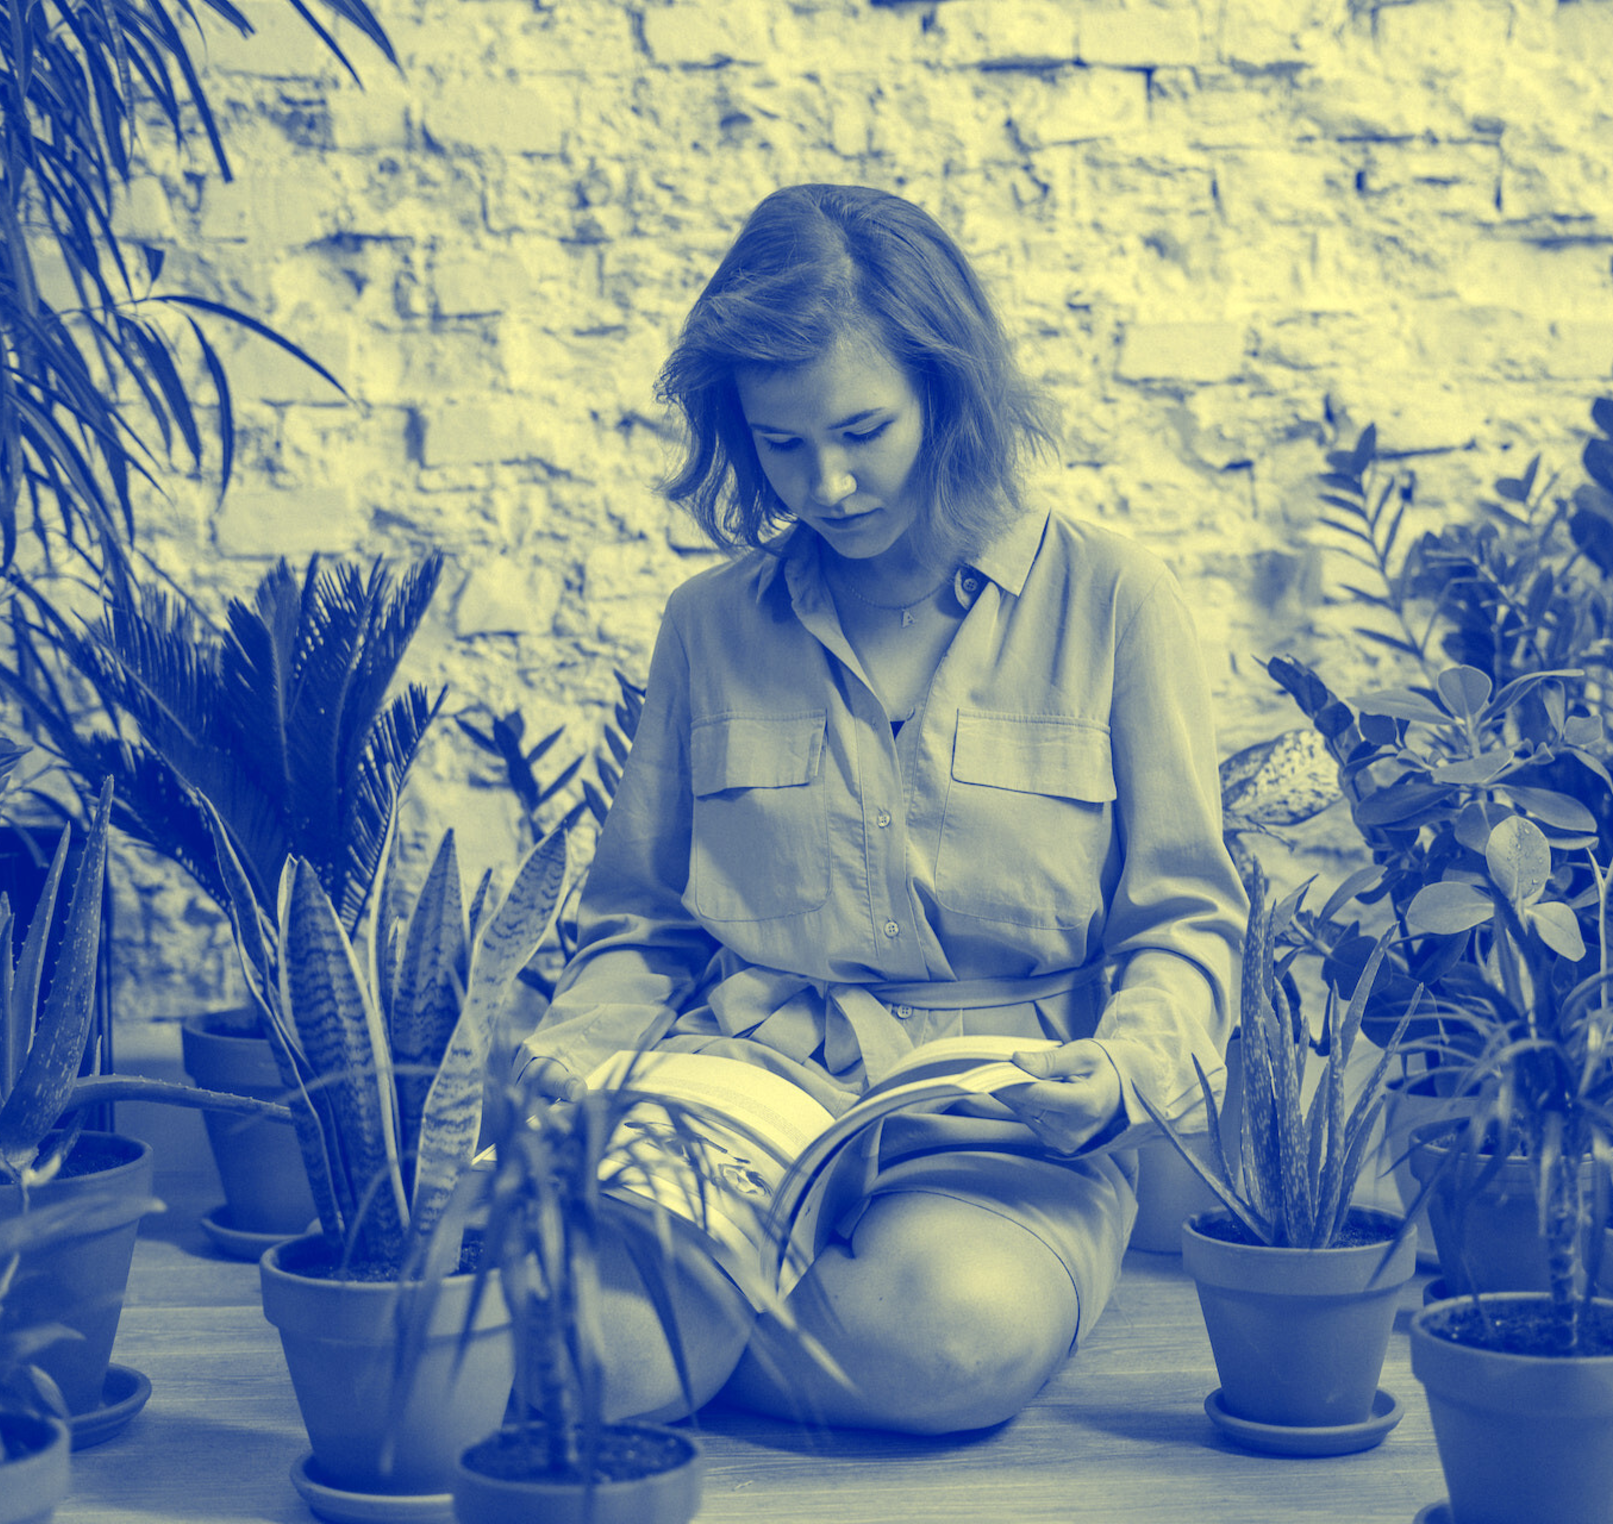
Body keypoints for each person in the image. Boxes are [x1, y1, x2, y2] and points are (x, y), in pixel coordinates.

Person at [518, 183, 1245, 1435]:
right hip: (738, 1086)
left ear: (949, 394)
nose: (830, 484)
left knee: (945, 1336)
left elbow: (1185, 919)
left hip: (999, 1124)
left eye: (863, 430)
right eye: (781, 444)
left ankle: (704, 1329)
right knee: (597, 1350)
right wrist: (567, 1063)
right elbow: (643, 923)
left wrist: (1123, 1073)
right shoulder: (709, 622)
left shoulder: (1116, 600)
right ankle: (678, 1330)